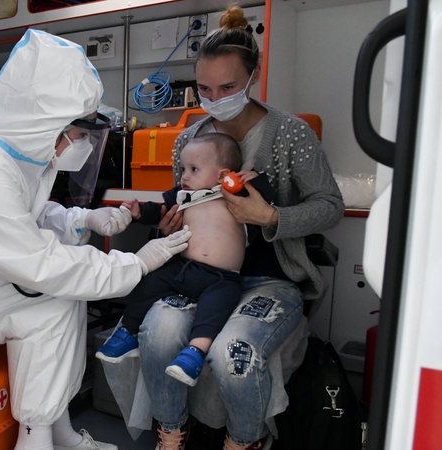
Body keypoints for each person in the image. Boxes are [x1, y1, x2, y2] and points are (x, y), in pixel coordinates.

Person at [0, 29, 192, 450]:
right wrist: (136, 263)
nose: (82, 145)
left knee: (65, 293)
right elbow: (38, 263)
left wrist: (82, 218)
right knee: (50, 301)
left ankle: (59, 432)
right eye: (80, 134)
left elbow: (23, 216)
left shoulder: (12, 148)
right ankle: (35, 439)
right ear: (47, 124)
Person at [130, 6, 344, 450]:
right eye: (205, 89)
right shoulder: (190, 141)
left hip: (269, 279)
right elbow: (183, 202)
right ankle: (171, 433)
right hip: (199, 274)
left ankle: (245, 441)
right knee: (159, 333)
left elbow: (330, 207)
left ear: (254, 76)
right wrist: (168, 227)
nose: (215, 98)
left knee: (233, 355)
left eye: (228, 87)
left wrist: (271, 218)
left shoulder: (290, 134)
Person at [96, 133, 276, 387]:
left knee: (214, 311)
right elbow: (160, 211)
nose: (185, 177)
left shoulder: (238, 195)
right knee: (148, 282)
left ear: (223, 175)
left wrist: (255, 180)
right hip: (181, 269)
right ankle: (128, 332)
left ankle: (194, 354)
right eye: (183, 169)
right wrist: (139, 212)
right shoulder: (184, 195)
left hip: (221, 278)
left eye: (194, 169)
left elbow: (269, 201)